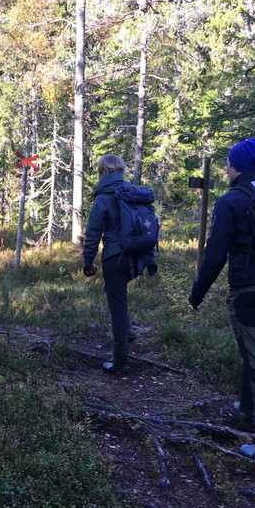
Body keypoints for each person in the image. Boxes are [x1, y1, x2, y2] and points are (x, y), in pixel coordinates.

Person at [188, 137, 255, 462]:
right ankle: (245, 409)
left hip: (247, 291)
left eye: (228, 164)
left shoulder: (231, 201)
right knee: (254, 348)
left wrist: (197, 292)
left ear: (237, 167)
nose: (227, 169)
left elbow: (215, 255)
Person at [82, 154, 157, 374]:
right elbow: (147, 227)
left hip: (115, 257)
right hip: (138, 256)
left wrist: (88, 261)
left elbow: (92, 235)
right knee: (120, 299)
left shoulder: (103, 198)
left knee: (117, 304)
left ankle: (120, 362)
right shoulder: (133, 194)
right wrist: (151, 258)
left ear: (102, 172)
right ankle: (127, 332)